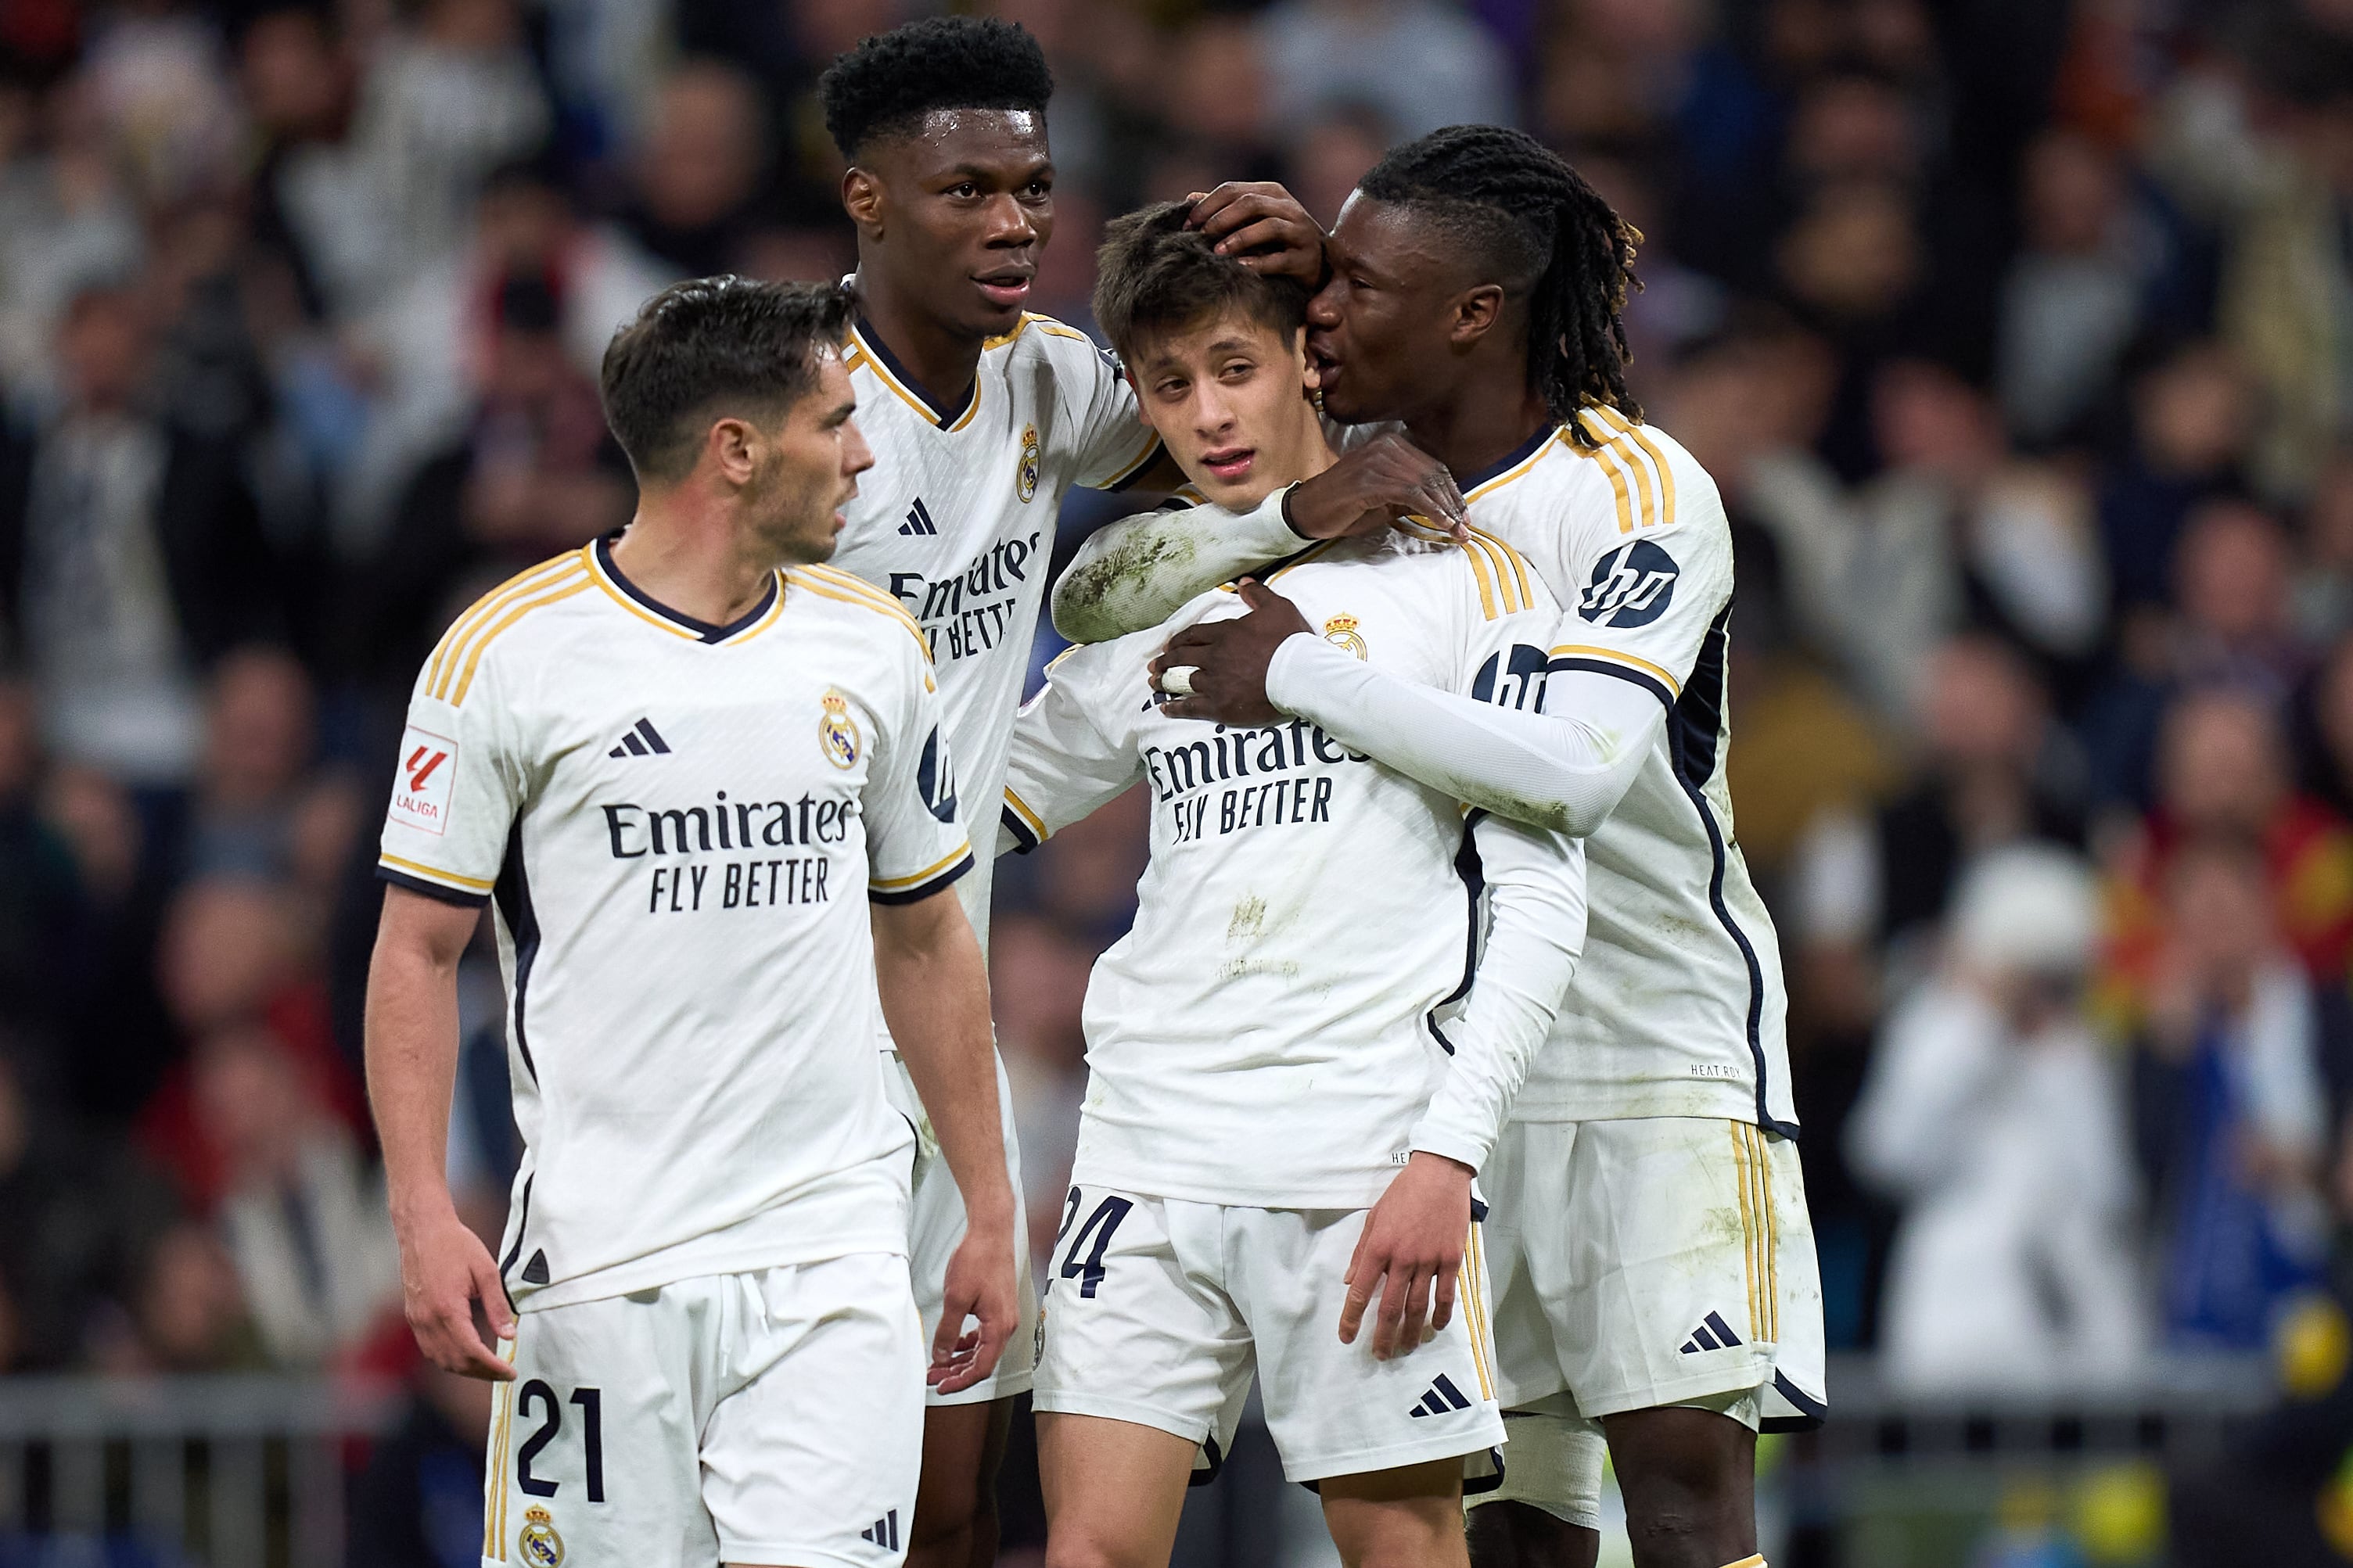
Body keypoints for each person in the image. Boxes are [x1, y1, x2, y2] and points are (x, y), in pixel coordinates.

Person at [1053, 128, 1825, 1568]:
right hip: (1437, 1070)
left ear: (1473, 311)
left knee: (1678, 1491)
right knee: (1518, 1526)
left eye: (1354, 284)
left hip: (1644, 1044)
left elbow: (1578, 774)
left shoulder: (1632, 489)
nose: (1321, 314)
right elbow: (1103, 594)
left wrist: (1299, 674)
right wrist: (1285, 512)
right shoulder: (1351, 485)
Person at [365, 277, 1017, 1567]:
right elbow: (415, 951)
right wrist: (423, 1215)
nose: (863, 453)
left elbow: (928, 938)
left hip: (831, 1252)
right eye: (833, 422)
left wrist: (990, 1207)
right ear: (736, 449)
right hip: (604, 1262)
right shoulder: (505, 654)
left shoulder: (875, 646)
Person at [1015, 199, 1585, 1568]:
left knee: (1398, 1542)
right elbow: (977, 811)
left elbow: (1542, 894)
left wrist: (1447, 1155)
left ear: (1303, 360)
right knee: (1089, 1551)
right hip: (1145, 1147)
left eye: (1234, 365)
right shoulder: (1153, 600)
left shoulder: (1456, 575)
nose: (1205, 413)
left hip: (1360, 1149)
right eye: (1169, 385)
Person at [812, 21, 1186, 1564]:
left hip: (941, 1023)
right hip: (784, 1018)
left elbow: (1217, 445)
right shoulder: (790, 410)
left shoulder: (1049, 379)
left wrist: (1275, 291)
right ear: (868, 199)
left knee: (955, 1509)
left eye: (1031, 187)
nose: (1015, 221)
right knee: (802, 1496)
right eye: (965, 188)